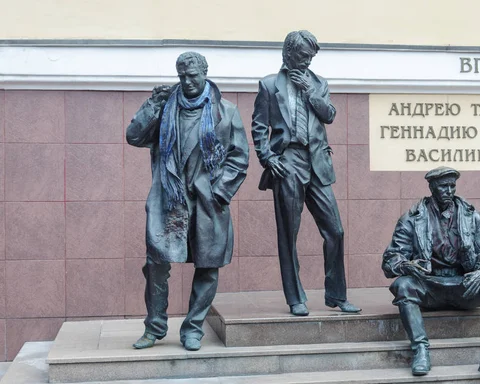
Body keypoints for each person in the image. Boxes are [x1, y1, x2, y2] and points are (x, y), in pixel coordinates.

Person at [126, 52, 249, 351]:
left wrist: (220, 192)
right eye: (182, 75)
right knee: (156, 263)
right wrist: (153, 103)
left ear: (205, 73)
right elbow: (133, 136)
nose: (187, 81)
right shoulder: (165, 107)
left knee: (207, 267)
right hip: (169, 197)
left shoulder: (226, 111)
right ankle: (154, 326)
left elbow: (239, 158)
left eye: (193, 75)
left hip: (208, 201)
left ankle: (193, 328)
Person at [251, 30, 360, 316]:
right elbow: (260, 127)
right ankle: (295, 297)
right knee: (289, 233)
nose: (307, 63)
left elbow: (330, 115)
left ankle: (336, 295)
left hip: (318, 163)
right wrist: (267, 157)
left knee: (335, 230)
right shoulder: (270, 85)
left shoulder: (319, 83)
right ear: (288, 54)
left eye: (310, 58)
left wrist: (310, 92)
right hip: (288, 161)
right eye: (302, 57)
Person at [382, 166, 480, 376]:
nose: (449, 191)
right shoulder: (413, 217)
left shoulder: (471, 216)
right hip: (430, 287)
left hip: (465, 286)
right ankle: (421, 350)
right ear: (432, 187)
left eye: (452, 186)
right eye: (444, 186)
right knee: (403, 285)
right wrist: (406, 265)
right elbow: (391, 258)